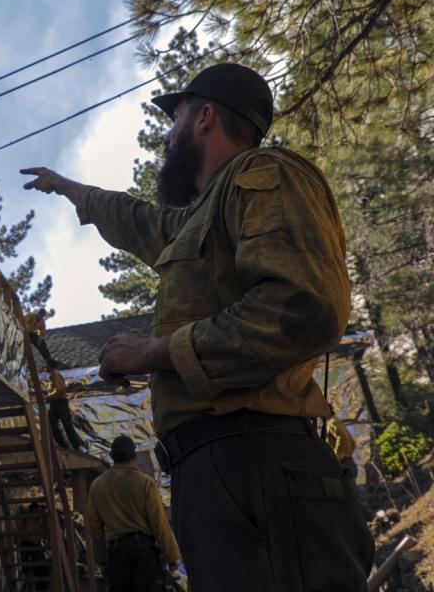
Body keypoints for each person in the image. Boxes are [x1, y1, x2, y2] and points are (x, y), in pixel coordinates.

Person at [21, 63, 374, 590]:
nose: (167, 136)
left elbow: (306, 306)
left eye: (176, 117)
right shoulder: (198, 217)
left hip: (259, 460)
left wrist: (155, 352)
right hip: (221, 471)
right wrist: (70, 188)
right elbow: (133, 218)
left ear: (205, 117)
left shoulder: (266, 175)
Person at [86, 436, 180, 592]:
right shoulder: (145, 482)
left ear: (112, 456)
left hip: (116, 555)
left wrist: (102, 561)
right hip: (144, 552)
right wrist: (172, 558)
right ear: (134, 456)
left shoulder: (97, 486)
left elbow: (95, 527)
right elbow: (159, 523)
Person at [45, 360, 82, 451]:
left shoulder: (56, 375)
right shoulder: (51, 377)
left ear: (50, 366)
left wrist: (50, 397)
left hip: (60, 403)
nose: (45, 368)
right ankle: (62, 445)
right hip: (54, 404)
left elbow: (61, 389)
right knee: (52, 423)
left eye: (46, 366)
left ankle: (75, 446)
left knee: (67, 425)